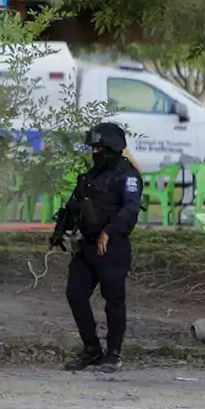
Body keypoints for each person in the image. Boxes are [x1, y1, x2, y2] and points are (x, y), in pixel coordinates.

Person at [52, 122, 143, 373]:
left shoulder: (128, 176)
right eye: (92, 148)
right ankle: (91, 350)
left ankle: (113, 355)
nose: (94, 152)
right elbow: (74, 205)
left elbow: (130, 209)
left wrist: (109, 232)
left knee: (114, 300)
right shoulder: (91, 176)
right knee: (75, 293)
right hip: (87, 247)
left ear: (111, 148)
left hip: (112, 248)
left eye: (98, 148)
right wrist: (61, 229)